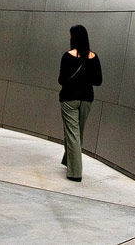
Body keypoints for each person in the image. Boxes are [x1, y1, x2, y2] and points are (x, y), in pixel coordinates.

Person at [58, 25, 102, 182]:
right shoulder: (93, 57)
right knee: (77, 132)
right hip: (87, 100)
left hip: (70, 99)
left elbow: (61, 80)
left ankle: (75, 173)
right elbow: (98, 81)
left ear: (74, 38)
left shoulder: (67, 56)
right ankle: (68, 160)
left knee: (72, 133)